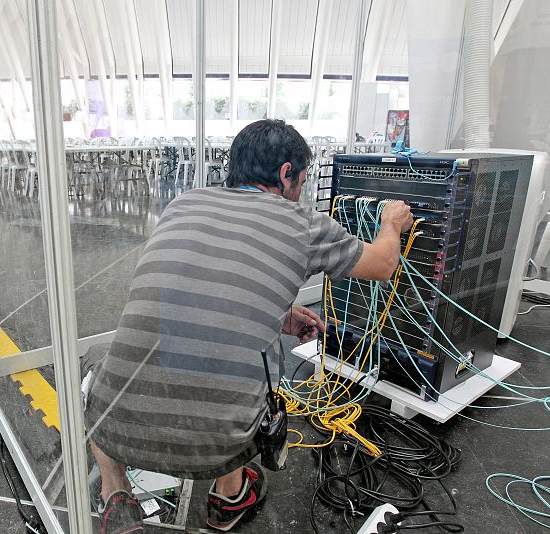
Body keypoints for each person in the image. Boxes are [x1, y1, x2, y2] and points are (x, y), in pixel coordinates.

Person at [82, 119, 414, 533]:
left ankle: (115, 495)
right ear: (285, 174)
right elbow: (383, 264)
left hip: (116, 427)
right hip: (217, 445)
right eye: (302, 180)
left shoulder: (182, 204)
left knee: (99, 361)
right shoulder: (303, 223)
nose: (301, 191)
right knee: (257, 364)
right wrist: (391, 223)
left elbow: (194, 291)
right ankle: (228, 500)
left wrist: (278, 312)